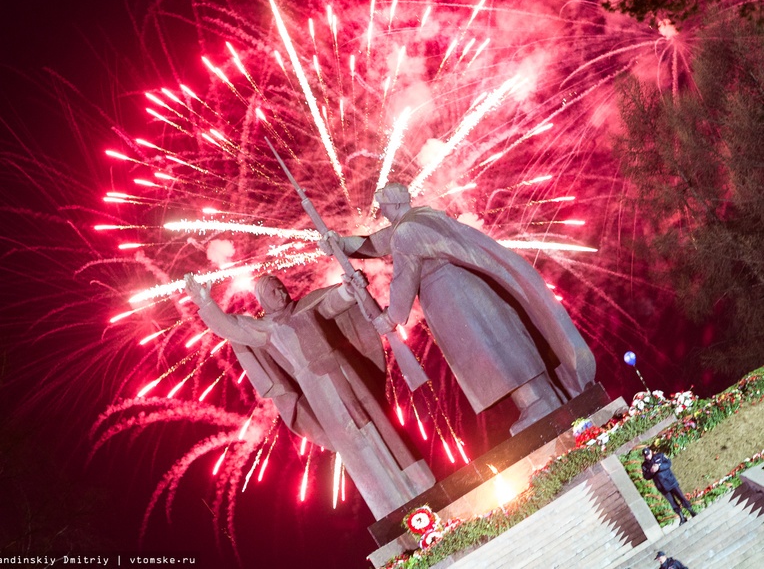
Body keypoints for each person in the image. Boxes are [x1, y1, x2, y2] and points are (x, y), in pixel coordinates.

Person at [321, 182, 596, 434]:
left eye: (383, 206)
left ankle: (538, 404)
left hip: (452, 299)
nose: (382, 211)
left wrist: (390, 318)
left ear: (392, 206)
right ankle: (545, 399)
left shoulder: (406, 232)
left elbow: (404, 278)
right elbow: (377, 243)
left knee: (492, 350)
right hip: (465, 290)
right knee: (504, 344)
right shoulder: (423, 218)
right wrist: (341, 244)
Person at [184, 272, 435, 519]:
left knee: (381, 424)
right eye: (273, 290)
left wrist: (350, 287)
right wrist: (206, 303)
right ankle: (388, 506)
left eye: (281, 286)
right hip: (318, 389)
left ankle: (421, 485)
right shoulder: (265, 329)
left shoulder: (307, 308)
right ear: (263, 298)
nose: (280, 292)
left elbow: (332, 302)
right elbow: (232, 327)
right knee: (352, 443)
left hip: (347, 373)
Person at [642, 447, 696, 524]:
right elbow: (646, 476)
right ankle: (682, 517)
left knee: (681, 497)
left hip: (670, 481)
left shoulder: (659, 456)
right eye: (645, 455)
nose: (647, 456)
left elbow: (668, 463)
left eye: (648, 454)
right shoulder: (645, 465)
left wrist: (659, 467)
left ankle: (691, 511)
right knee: (672, 502)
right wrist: (651, 472)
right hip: (661, 486)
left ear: (651, 452)